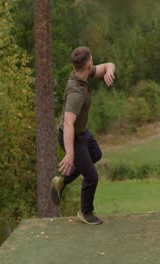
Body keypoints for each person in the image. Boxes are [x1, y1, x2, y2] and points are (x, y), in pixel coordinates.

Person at [51, 46, 116, 225]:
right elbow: (67, 123)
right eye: (92, 59)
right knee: (92, 177)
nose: (94, 62)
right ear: (88, 65)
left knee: (96, 154)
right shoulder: (76, 93)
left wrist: (109, 71)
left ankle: (62, 182)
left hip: (82, 133)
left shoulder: (83, 73)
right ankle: (85, 212)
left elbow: (108, 65)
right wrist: (70, 154)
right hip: (72, 137)